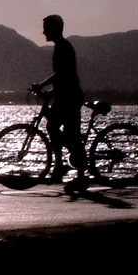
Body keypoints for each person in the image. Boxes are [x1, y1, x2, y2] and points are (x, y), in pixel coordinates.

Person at [32, 14, 88, 188]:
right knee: (59, 130)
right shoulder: (60, 47)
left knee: (65, 132)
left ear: (54, 29)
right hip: (64, 95)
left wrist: (42, 85)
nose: (43, 32)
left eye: (46, 28)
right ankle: (62, 167)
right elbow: (63, 78)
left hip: (70, 97)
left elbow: (62, 73)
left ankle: (71, 171)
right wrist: (50, 92)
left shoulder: (63, 47)